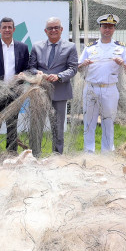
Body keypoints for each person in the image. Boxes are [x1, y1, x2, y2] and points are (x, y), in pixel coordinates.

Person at [78, 14, 126, 153]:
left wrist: (123, 64)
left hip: (110, 89)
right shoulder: (90, 47)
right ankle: (89, 152)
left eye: (110, 27)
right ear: (100, 28)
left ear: (114, 29)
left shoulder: (120, 47)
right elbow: (78, 67)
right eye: (105, 27)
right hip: (91, 87)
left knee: (108, 121)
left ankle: (107, 152)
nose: (107, 29)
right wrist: (84, 64)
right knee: (89, 121)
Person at [28, 17, 78, 156]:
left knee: (58, 128)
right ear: (45, 31)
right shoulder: (36, 46)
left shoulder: (70, 47)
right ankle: (34, 156)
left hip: (60, 92)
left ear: (61, 29)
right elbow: (31, 67)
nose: (53, 30)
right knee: (36, 126)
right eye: (50, 28)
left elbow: (73, 68)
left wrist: (59, 76)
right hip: (39, 92)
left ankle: (57, 157)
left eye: (56, 27)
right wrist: (37, 73)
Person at [0, 17, 30, 153]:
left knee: (12, 126)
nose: (7, 30)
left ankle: (12, 154)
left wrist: (22, 75)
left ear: (14, 30)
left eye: (10, 27)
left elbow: (27, 68)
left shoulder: (23, 47)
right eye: (4, 27)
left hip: (14, 93)